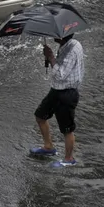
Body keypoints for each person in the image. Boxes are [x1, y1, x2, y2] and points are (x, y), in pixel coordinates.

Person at [30, 33, 85, 167]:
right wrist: (50, 58)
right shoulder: (65, 45)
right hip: (56, 90)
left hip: (67, 93)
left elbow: (60, 74)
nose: (52, 35)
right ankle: (48, 147)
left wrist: (51, 57)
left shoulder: (72, 49)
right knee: (40, 115)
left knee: (67, 129)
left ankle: (68, 159)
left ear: (62, 36)